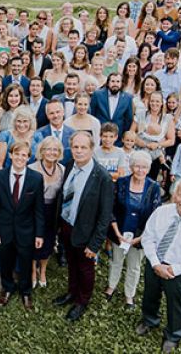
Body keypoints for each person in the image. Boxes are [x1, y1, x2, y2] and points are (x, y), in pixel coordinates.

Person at [136, 180, 181, 353]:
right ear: (174, 195)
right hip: (155, 263)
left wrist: (173, 270)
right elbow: (148, 238)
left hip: (179, 271)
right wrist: (156, 264)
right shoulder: (161, 212)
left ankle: (173, 335)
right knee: (150, 294)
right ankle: (149, 320)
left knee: (176, 304)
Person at [52, 131, 114, 321]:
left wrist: (95, 245)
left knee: (85, 268)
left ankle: (81, 301)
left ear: (91, 148)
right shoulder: (70, 165)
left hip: (86, 232)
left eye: (83, 147)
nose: (78, 151)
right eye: (75, 147)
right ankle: (72, 292)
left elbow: (105, 216)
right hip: (67, 226)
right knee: (71, 263)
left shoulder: (102, 177)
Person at [0, 141, 45, 310]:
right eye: (17, 154)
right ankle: (7, 288)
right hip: (4, 228)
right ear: (11, 155)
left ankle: (26, 291)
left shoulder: (36, 179)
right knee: (6, 261)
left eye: (24, 155)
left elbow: (39, 210)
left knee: (25, 261)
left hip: (26, 231)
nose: (20, 158)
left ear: (28, 158)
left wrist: (39, 234)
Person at [105, 150, 160, 308]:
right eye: (137, 166)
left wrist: (140, 238)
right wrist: (116, 233)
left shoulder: (154, 187)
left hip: (141, 236)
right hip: (119, 232)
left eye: (144, 167)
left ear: (149, 169)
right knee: (116, 261)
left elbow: (156, 217)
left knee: (134, 266)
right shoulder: (121, 183)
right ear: (131, 167)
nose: (140, 170)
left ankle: (129, 295)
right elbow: (111, 209)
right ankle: (111, 286)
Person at [28, 137, 65, 288]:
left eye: (55, 150)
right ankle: (32, 270)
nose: (51, 152)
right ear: (42, 151)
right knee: (33, 241)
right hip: (35, 211)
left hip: (53, 211)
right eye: (48, 149)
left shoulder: (62, 169)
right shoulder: (32, 168)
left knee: (49, 242)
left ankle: (43, 270)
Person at [132, 91, 175, 180]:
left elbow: (171, 140)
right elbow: (131, 133)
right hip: (140, 149)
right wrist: (144, 144)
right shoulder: (141, 114)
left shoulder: (167, 118)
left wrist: (158, 145)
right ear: (149, 102)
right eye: (152, 101)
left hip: (156, 150)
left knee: (151, 179)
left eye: (157, 101)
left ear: (162, 103)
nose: (154, 103)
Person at [89, 72, 134, 146]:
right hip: (99, 136)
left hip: (118, 138)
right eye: (112, 81)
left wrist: (122, 136)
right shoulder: (97, 94)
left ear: (121, 83)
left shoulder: (128, 98)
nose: (115, 84)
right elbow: (92, 115)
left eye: (118, 81)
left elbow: (128, 119)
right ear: (108, 82)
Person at [32, 99, 76, 165]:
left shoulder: (73, 134)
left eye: (58, 112)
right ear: (47, 115)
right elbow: (36, 157)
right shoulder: (39, 134)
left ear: (63, 112)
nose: (55, 116)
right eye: (51, 113)